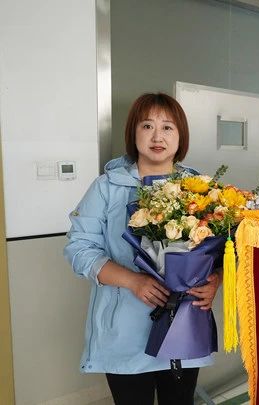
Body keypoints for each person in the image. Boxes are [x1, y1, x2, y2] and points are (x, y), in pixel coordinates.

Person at [64, 93, 220, 405]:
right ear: (133, 133)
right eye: (147, 126)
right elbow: (80, 248)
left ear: (181, 136)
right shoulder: (106, 187)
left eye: (168, 127)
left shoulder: (200, 189)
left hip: (183, 323)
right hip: (125, 329)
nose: (157, 136)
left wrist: (215, 280)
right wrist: (133, 281)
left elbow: (220, 250)